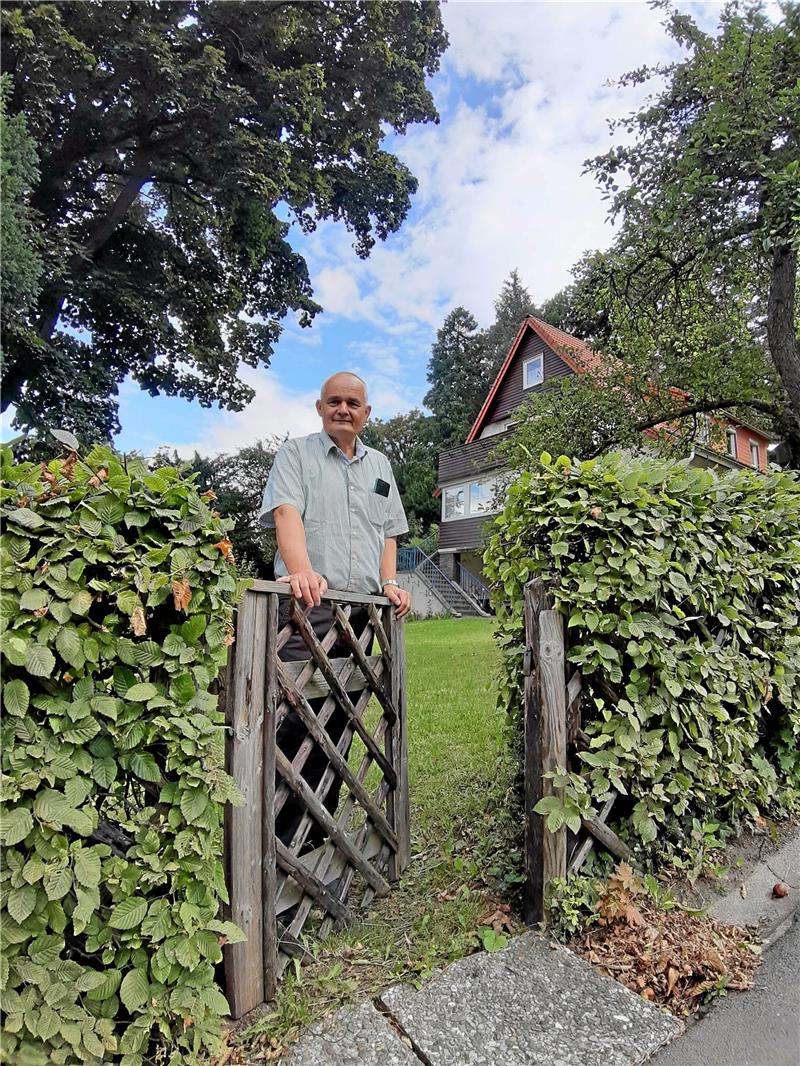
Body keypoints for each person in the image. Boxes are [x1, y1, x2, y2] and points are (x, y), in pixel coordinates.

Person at [259, 371, 411, 849]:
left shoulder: (382, 466)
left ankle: (319, 827)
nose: (343, 409)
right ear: (319, 407)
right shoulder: (295, 456)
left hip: (364, 614)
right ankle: (284, 834)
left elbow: (388, 531)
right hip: (312, 606)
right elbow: (286, 513)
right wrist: (302, 571)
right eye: (334, 402)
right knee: (298, 718)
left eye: (353, 403)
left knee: (345, 717)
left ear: (367, 413)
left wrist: (389, 582)